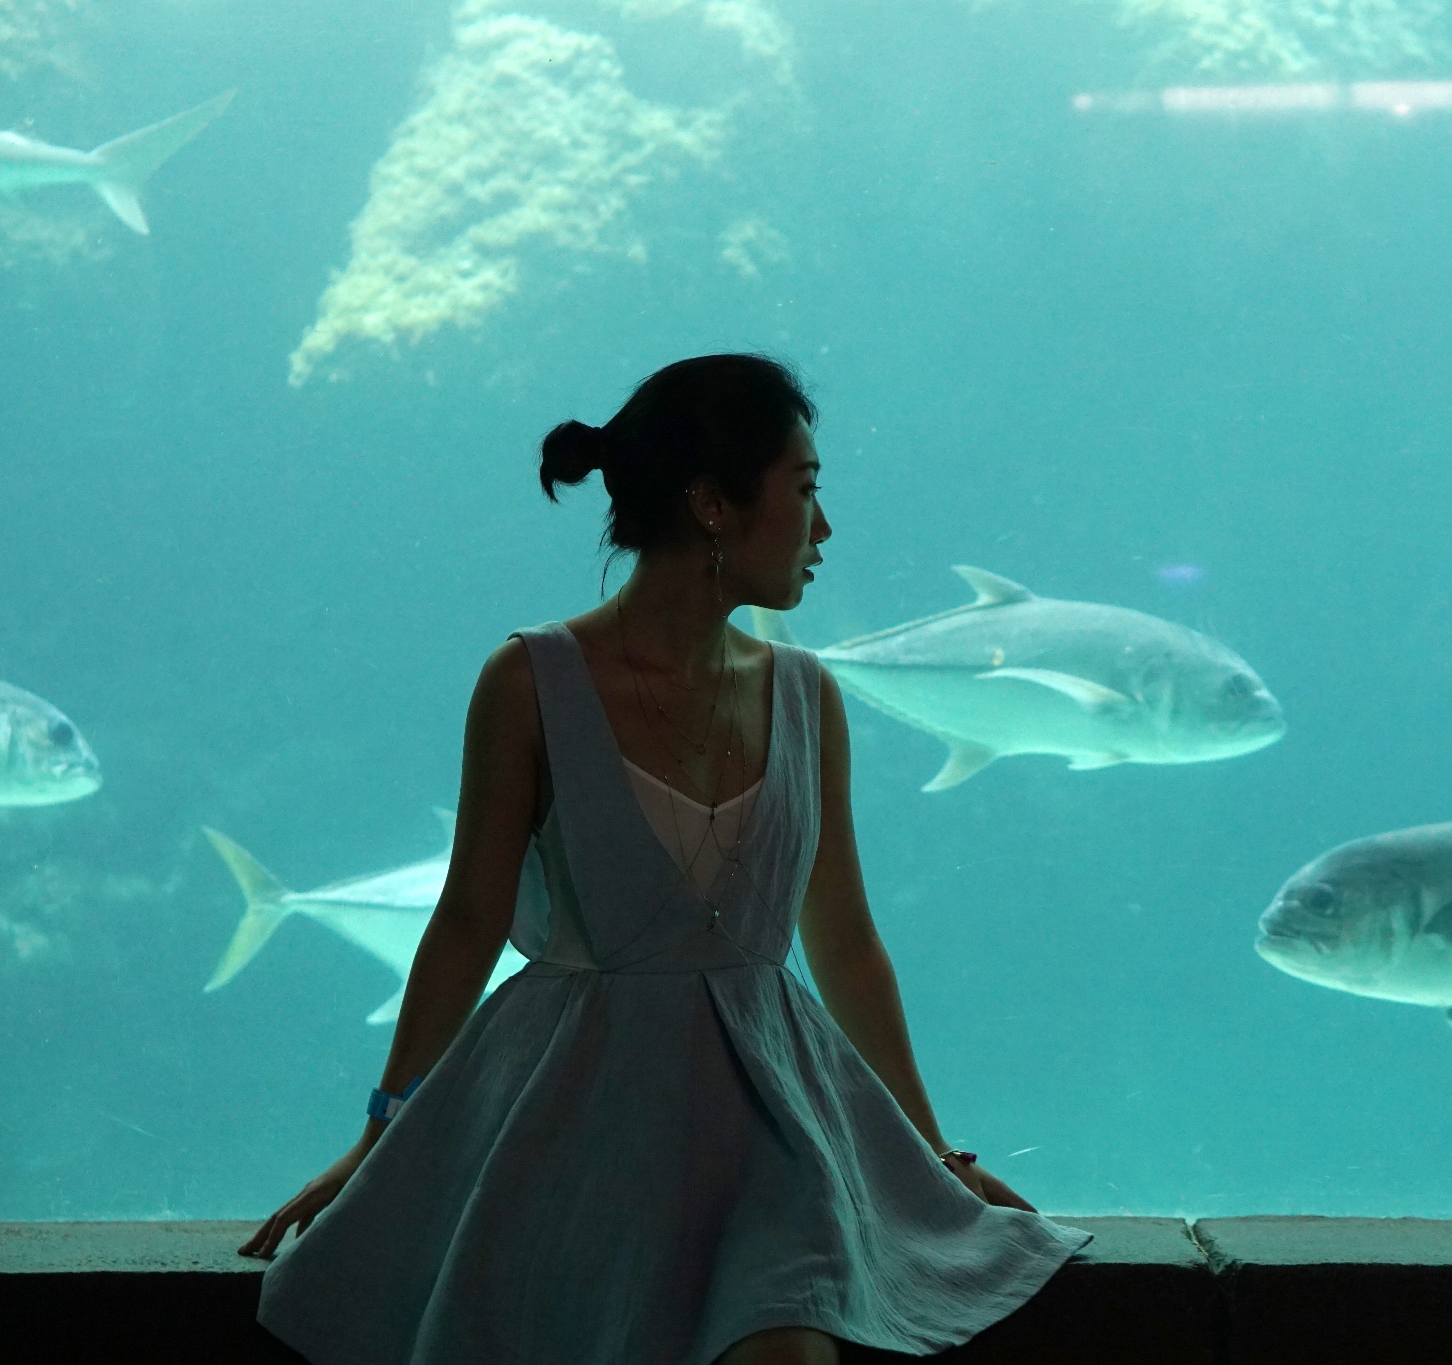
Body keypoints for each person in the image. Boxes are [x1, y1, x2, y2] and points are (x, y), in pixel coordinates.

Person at [239, 354, 1090, 1364]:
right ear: (712, 504)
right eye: (804, 490)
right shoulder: (527, 682)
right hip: (572, 1122)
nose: (824, 528)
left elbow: (846, 944)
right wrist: (383, 1139)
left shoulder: (807, 696)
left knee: (786, 1345)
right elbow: (466, 924)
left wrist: (933, 1154)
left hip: (774, 1134)